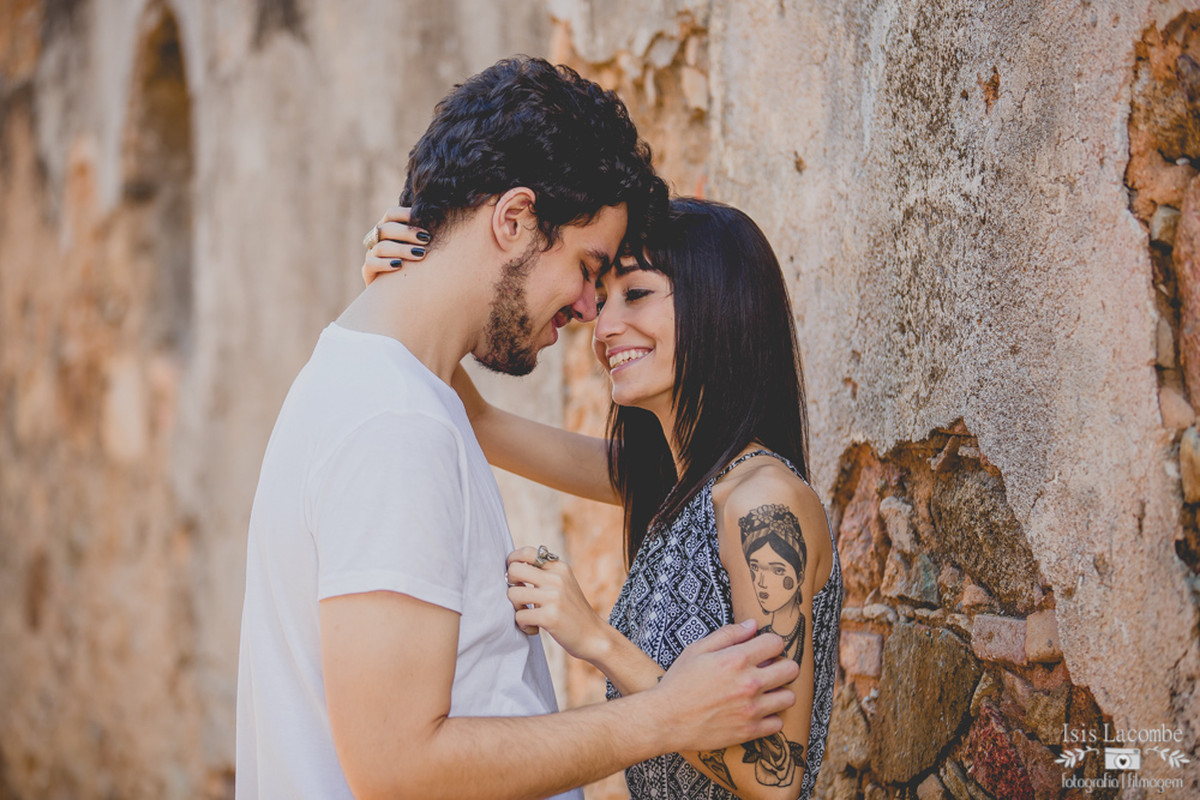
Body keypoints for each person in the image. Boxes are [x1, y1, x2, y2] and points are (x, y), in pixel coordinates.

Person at [235, 57, 803, 800]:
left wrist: (402, 284)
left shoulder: (395, 393)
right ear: (513, 219)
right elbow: (397, 765)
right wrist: (663, 716)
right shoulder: (395, 426)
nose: (591, 312)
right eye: (591, 269)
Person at [368, 197, 844, 800]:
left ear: (721, 305)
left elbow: (776, 776)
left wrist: (596, 639)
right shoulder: (673, 487)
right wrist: (406, 286)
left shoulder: (762, 504)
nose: (605, 324)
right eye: (603, 297)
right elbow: (481, 422)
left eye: (636, 294)